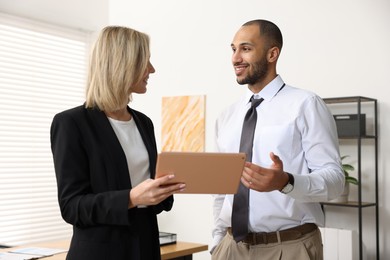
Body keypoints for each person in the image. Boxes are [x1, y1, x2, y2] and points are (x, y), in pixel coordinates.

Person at [211, 19, 345, 260]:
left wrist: (286, 181)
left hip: (289, 247)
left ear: (272, 54)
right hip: (231, 248)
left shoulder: (306, 105)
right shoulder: (227, 116)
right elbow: (222, 188)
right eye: (233, 49)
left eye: (246, 48)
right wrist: (217, 241)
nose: (235, 58)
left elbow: (335, 181)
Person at [50, 26, 185, 260]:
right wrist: (132, 198)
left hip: (146, 248)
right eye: (145, 61)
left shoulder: (144, 123)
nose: (152, 70)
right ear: (123, 63)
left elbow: (147, 191)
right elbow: (72, 207)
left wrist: (163, 190)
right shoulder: (71, 123)